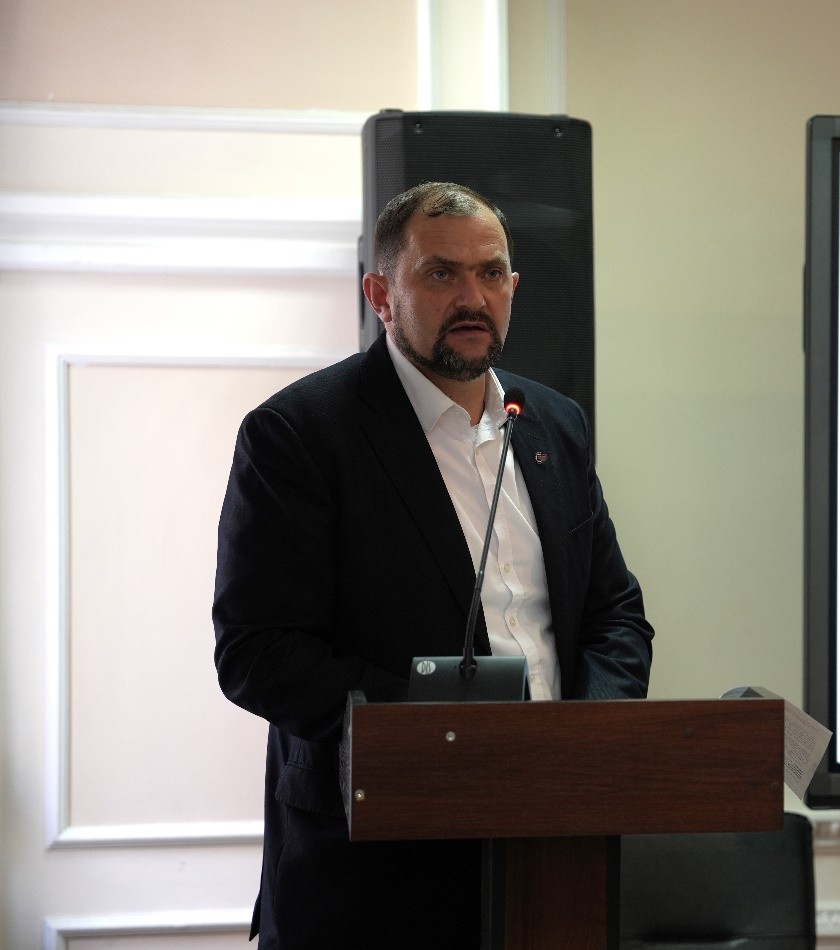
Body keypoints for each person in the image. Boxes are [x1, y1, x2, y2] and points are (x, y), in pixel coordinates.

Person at [213, 181, 654, 947]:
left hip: (556, 851)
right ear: (381, 295)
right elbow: (257, 653)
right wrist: (451, 731)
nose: (472, 297)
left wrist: (585, 733)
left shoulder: (554, 424)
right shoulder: (299, 435)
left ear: (513, 288)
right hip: (373, 879)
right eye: (441, 274)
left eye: (491, 274)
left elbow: (613, 611)